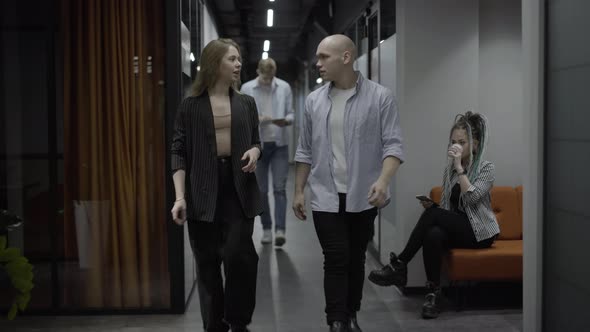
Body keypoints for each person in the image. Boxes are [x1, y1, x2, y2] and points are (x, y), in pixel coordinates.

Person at [293, 34, 404, 332]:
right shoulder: (314, 101)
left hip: (363, 196)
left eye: (323, 57)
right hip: (325, 195)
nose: (318, 63)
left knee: (355, 259)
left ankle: (351, 313)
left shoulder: (381, 97)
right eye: (317, 57)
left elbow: (393, 146)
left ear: (345, 57)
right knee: (336, 257)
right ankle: (337, 321)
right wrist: (299, 190)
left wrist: (383, 181)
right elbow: (304, 149)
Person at [368, 111, 500, 319]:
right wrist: (435, 206)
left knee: (434, 218)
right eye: (453, 142)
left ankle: (399, 265)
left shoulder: (486, 168)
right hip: (460, 228)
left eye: (462, 142)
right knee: (433, 234)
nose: (456, 147)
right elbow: (449, 208)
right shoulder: (449, 171)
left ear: (474, 144)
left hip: (480, 233)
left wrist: (459, 169)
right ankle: (433, 293)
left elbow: (472, 199)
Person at [170, 38, 262, 332]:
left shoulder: (247, 103)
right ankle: (214, 326)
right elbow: (178, 151)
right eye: (232, 59)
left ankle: (238, 320)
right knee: (208, 264)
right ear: (214, 64)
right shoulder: (190, 106)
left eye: (238, 59)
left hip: (239, 188)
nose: (238, 65)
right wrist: (179, 197)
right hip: (201, 191)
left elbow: (257, 140)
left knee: (239, 256)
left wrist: (255, 152)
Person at [241, 58, 294, 246]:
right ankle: (266, 229)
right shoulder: (247, 88)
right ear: (257, 72)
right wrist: (258, 118)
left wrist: (286, 120)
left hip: (280, 144)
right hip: (258, 146)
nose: (267, 81)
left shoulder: (284, 87)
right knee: (261, 190)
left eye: (270, 78)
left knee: (279, 189)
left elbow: (291, 113)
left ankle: (280, 230)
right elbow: (243, 116)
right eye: (264, 78)